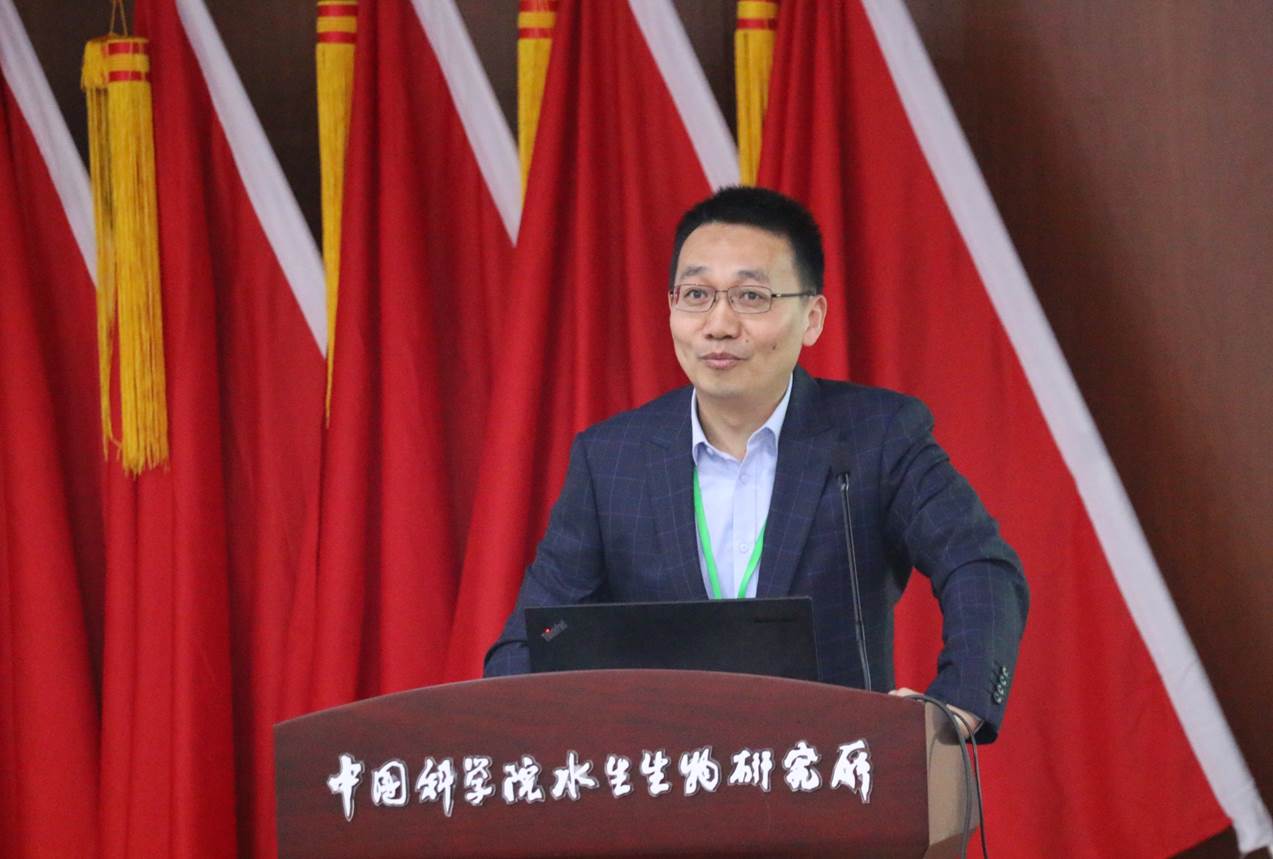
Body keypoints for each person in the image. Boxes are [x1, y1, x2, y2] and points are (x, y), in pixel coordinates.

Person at [484, 186, 1028, 742]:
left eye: (751, 296)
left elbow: (979, 565)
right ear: (671, 308)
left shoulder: (875, 438)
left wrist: (956, 708)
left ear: (812, 317)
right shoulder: (611, 460)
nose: (719, 325)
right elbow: (532, 640)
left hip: (836, 775)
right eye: (696, 295)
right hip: (668, 778)